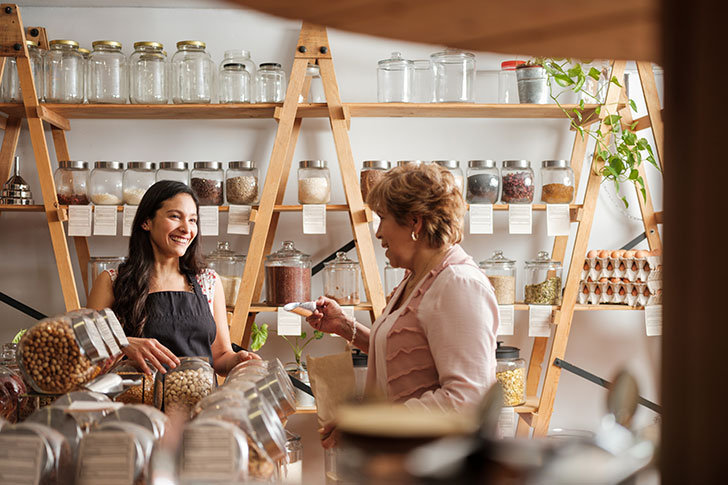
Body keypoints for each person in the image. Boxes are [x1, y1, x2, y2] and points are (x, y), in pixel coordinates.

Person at [307, 163, 499, 445]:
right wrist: (346, 327)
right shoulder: (417, 278)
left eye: (382, 218)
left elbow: (468, 399)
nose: (378, 233)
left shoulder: (458, 283)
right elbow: (409, 355)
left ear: (414, 222)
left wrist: (370, 423)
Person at [87, 180, 259, 376]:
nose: (187, 229)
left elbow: (220, 356)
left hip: (199, 402)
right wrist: (122, 343)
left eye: (193, 220)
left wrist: (239, 360)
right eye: (175, 217)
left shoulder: (208, 282)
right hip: (136, 403)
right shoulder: (112, 281)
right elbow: (87, 354)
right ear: (146, 221)